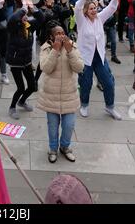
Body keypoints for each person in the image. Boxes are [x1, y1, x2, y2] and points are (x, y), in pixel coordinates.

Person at [74, 0, 122, 120]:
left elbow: (111, 8)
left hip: (99, 58)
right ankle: (84, 105)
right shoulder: (81, 21)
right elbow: (77, 7)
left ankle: (110, 107)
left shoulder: (100, 18)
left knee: (108, 82)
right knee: (86, 84)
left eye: (95, 8)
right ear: (86, 11)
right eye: (91, 9)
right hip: (86, 59)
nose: (94, 10)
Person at [38, 21, 84, 163]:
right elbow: (45, 68)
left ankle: (65, 147)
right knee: (52, 126)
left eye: (62, 33)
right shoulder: (45, 48)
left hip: (69, 94)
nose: (60, 36)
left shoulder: (72, 46)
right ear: (51, 36)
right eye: (57, 33)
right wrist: (55, 51)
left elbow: (79, 67)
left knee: (69, 125)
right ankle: (53, 149)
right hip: (51, 95)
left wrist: (70, 51)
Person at [6, 3, 44, 120]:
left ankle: (22, 102)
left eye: (27, 15)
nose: (25, 17)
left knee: (32, 86)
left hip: (26, 61)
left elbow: (41, 19)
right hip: (15, 62)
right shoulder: (14, 26)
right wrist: (23, 9)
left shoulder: (29, 25)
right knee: (21, 87)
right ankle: (12, 107)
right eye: (23, 15)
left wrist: (33, 9)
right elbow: (12, 19)